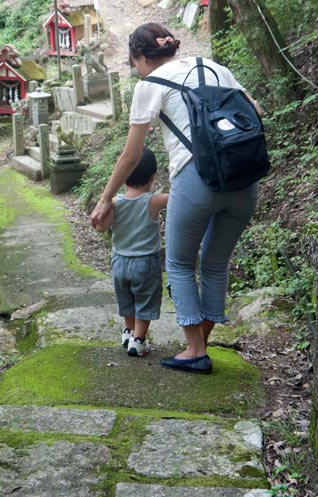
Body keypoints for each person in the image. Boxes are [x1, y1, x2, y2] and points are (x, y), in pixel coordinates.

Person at [89, 23, 261, 374]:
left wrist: (107, 198)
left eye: (133, 62)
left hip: (196, 180)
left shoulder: (149, 84)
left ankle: (195, 350)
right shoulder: (216, 68)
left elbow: (131, 157)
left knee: (180, 263)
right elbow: (254, 114)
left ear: (140, 57)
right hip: (245, 180)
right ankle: (201, 342)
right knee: (215, 264)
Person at [92, 147, 168, 358]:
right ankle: (139, 341)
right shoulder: (154, 201)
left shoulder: (115, 202)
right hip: (145, 263)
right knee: (145, 300)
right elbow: (179, 198)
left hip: (120, 261)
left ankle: (128, 332)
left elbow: (101, 227)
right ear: (153, 177)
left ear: (123, 177)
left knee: (126, 299)